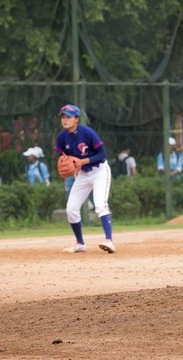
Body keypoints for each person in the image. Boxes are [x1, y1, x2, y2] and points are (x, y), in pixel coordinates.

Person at [55, 104, 115, 254]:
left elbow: (102, 155)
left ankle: (109, 241)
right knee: (71, 209)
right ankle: (80, 243)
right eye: (63, 117)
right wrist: (66, 164)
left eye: (68, 116)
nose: (65, 120)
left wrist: (82, 162)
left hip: (99, 171)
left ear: (77, 119)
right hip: (82, 174)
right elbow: (63, 157)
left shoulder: (87, 133)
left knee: (100, 204)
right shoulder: (62, 137)